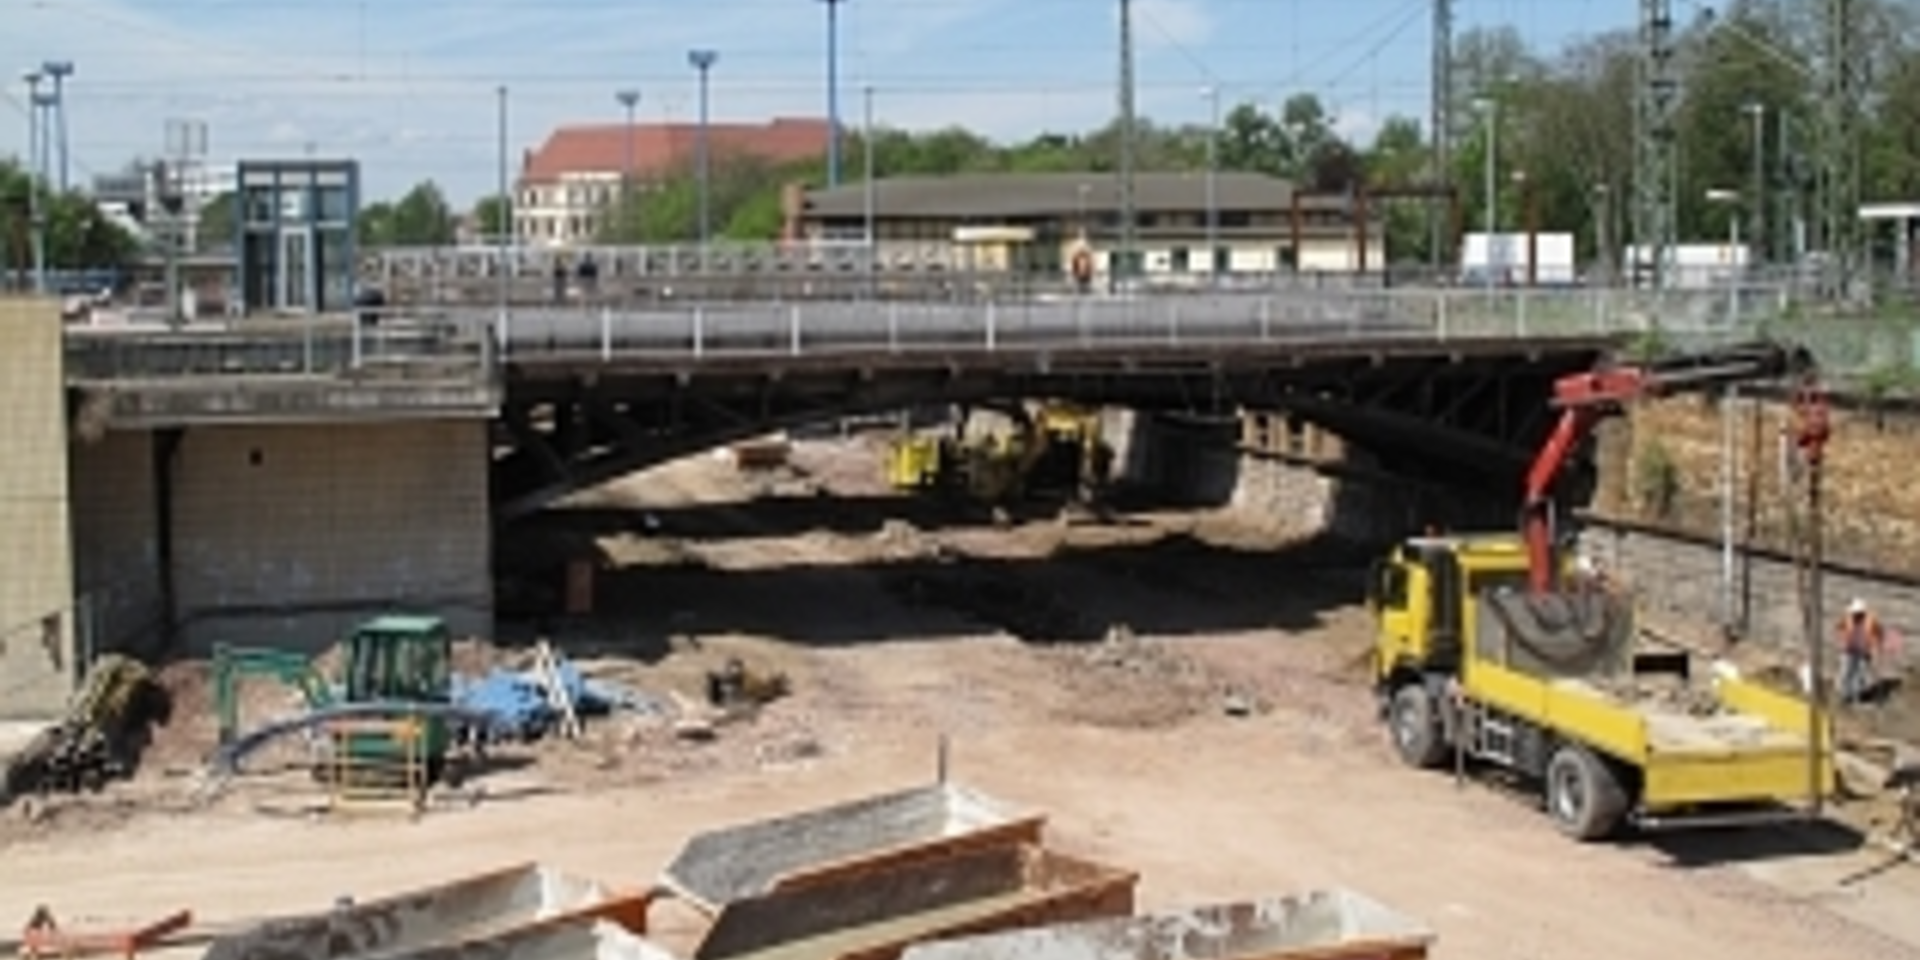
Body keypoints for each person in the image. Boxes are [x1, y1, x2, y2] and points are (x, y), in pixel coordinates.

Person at [1836, 597, 1888, 704]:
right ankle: (1844, 695)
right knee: (1845, 672)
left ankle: (1856, 696)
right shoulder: (1848, 618)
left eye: (1858, 612)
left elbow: (1880, 632)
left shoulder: (1871, 620)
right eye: (1854, 612)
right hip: (1848, 650)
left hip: (1863, 652)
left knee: (1860, 674)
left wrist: (1878, 645)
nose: (1856, 614)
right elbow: (1839, 627)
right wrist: (1842, 640)